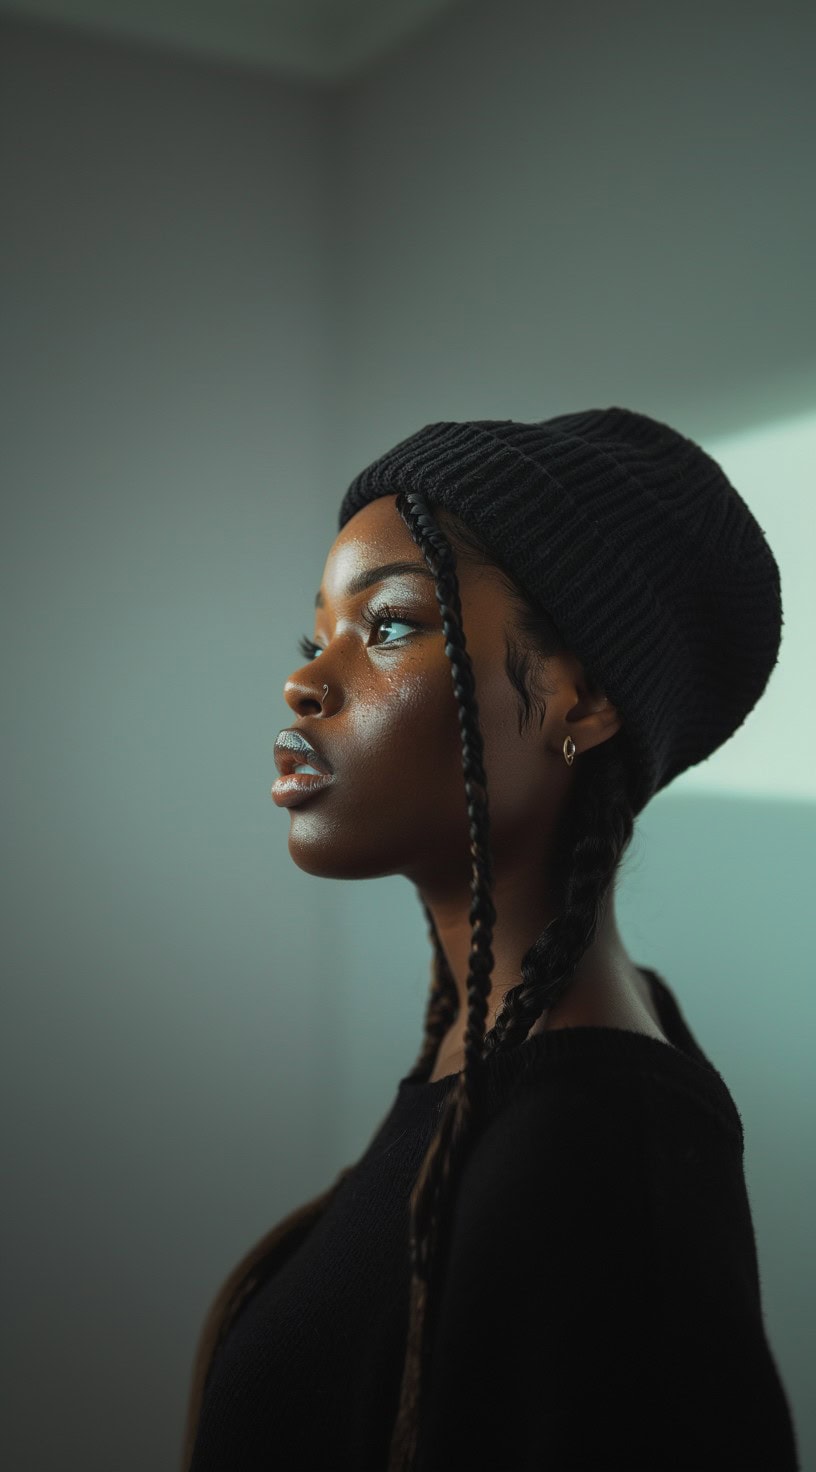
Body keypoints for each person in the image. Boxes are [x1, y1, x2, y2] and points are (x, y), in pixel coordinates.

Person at [181, 408, 800, 1470]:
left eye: (387, 626)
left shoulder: (596, 1155)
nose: (306, 682)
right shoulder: (502, 1068)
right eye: (314, 635)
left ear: (585, 693)